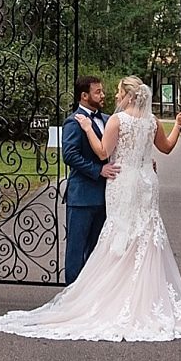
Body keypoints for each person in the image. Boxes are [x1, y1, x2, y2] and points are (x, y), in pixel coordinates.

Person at [0, 76, 181, 342]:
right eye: (103, 91)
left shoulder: (116, 120)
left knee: (119, 232)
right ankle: (146, 297)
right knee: (146, 234)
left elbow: (104, 153)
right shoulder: (151, 121)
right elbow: (168, 147)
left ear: (127, 95)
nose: (111, 96)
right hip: (145, 181)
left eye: (115, 92)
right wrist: (179, 126)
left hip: (122, 180)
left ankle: (99, 297)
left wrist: (88, 128)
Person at [60, 75, 120, 283]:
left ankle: (92, 300)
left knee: (98, 252)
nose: (103, 95)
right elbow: (70, 155)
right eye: (98, 92)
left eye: (102, 91)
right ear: (84, 96)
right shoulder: (73, 122)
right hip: (82, 198)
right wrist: (98, 170)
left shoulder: (107, 120)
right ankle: (70, 300)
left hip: (106, 198)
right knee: (76, 251)